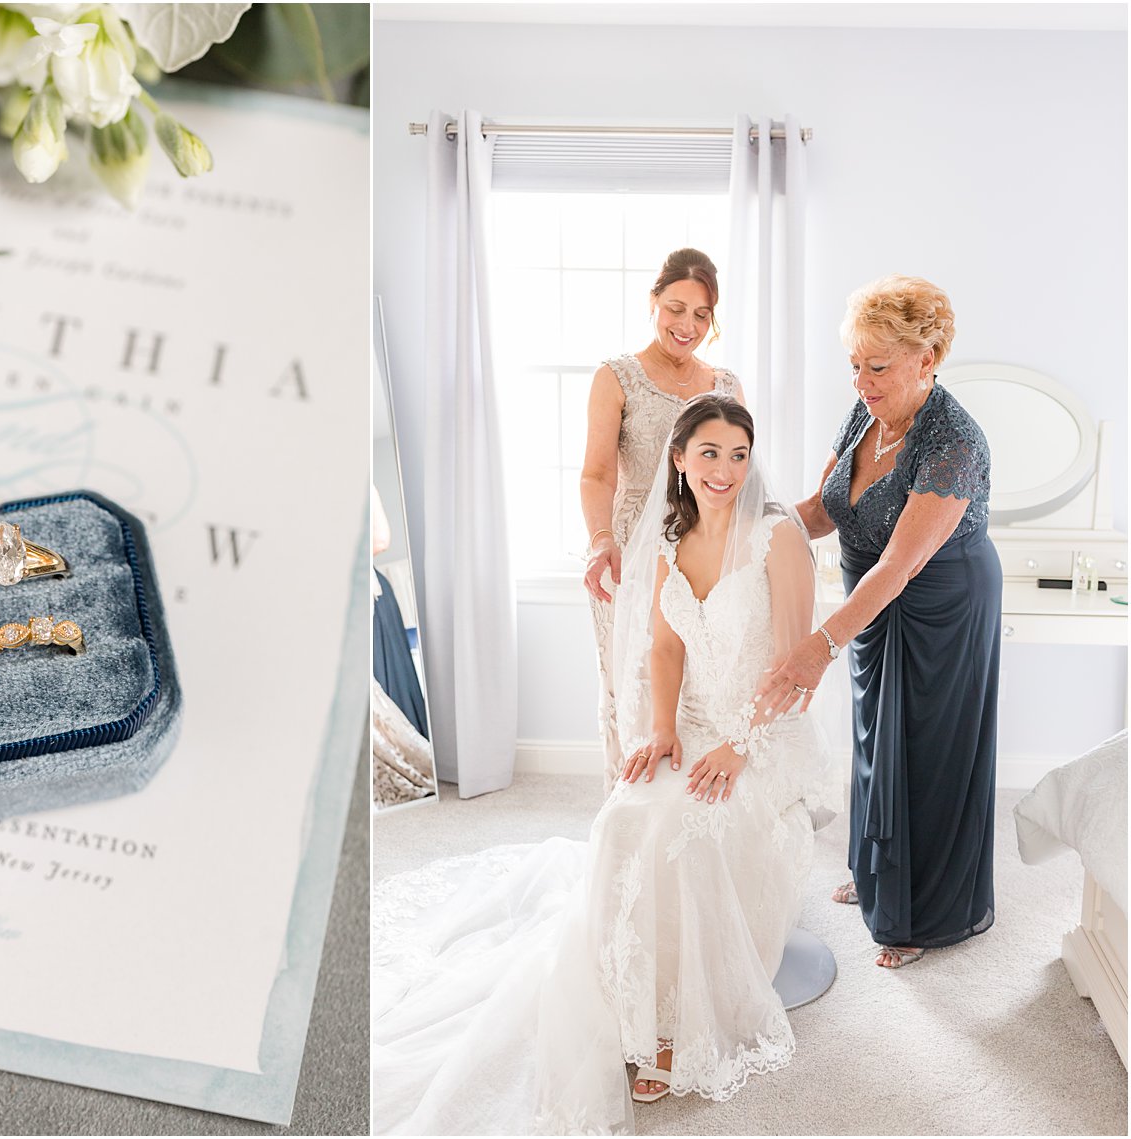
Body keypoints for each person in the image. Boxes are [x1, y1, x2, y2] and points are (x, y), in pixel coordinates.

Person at [373, 396, 836, 1133]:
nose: (725, 469)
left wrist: (738, 748)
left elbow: (792, 671)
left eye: (738, 454)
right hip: (689, 726)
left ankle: (668, 1021)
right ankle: (628, 1001)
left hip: (761, 738)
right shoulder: (673, 540)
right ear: (679, 459)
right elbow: (664, 649)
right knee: (627, 815)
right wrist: (657, 730)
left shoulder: (777, 538)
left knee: (686, 827)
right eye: (709, 453)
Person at [757, 275, 1000, 969]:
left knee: (926, 751)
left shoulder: (954, 440)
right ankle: (876, 876)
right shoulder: (864, 413)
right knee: (877, 740)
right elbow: (822, 508)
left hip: (939, 605)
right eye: (855, 364)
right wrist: (743, 530)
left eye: (879, 365)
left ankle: (923, 912)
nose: (862, 379)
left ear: (928, 359)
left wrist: (819, 645)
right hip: (872, 604)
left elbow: (897, 565)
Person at [581, 248, 744, 785]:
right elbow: (598, 475)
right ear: (653, 302)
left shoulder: (725, 385)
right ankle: (624, 818)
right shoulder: (616, 377)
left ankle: (693, 825)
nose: (688, 325)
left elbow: (740, 473)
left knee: (701, 682)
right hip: (632, 552)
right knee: (632, 683)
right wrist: (601, 539)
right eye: (677, 308)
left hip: (706, 551)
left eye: (702, 315)